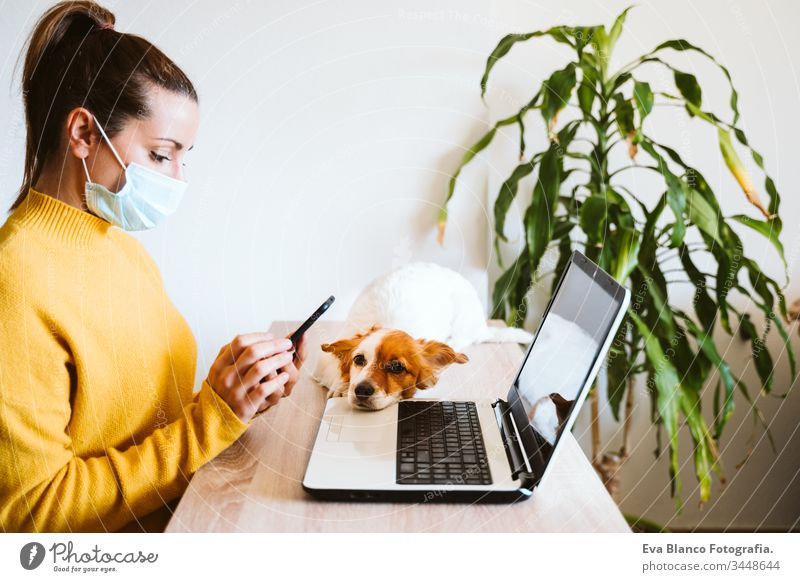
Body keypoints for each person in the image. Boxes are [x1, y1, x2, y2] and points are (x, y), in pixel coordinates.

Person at [0, 0, 306, 533]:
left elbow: (141, 426)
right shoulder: (17, 280)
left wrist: (233, 392)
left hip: (186, 518)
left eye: (185, 156)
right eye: (162, 155)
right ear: (83, 134)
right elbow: (32, 513)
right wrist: (211, 421)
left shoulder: (120, 249)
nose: (178, 179)